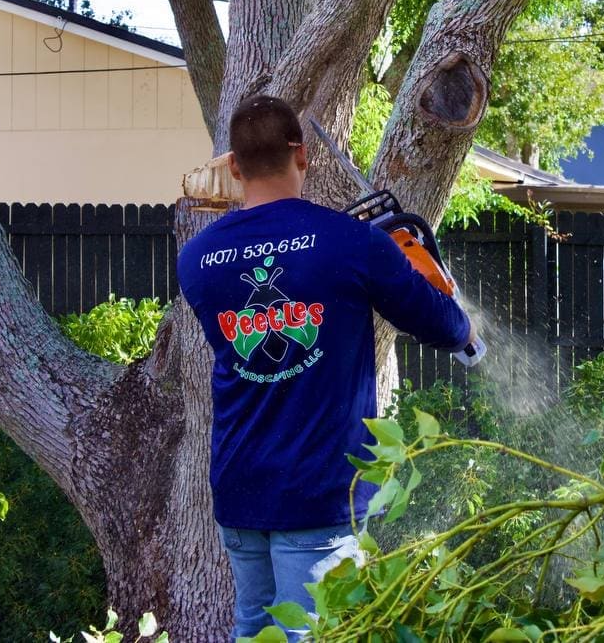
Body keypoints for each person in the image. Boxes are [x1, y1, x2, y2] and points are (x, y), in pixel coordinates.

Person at [176, 95, 474, 641]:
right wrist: (467, 329)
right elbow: (438, 322)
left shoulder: (196, 259)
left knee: (253, 628)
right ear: (303, 155)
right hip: (319, 491)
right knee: (316, 633)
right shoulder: (352, 243)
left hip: (240, 489)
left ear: (235, 166)